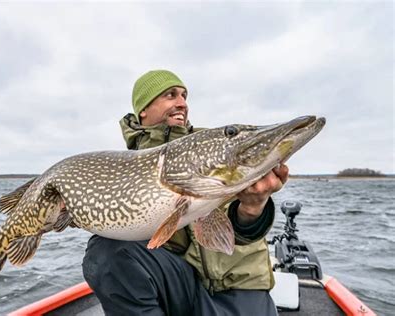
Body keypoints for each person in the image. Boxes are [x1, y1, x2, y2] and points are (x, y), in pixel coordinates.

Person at [82, 70, 289, 315]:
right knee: (104, 251)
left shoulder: (215, 146)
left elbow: (237, 230)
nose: (182, 103)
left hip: (241, 287)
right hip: (184, 287)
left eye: (184, 96)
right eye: (171, 95)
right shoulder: (123, 169)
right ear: (143, 109)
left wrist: (254, 207)